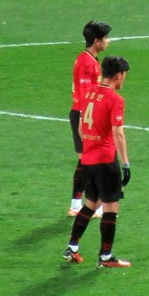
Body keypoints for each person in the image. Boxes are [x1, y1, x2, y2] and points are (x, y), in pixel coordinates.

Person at [62, 56, 133, 268]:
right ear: (119, 75)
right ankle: (105, 256)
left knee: (91, 203)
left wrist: (89, 149)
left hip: (88, 159)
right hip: (105, 160)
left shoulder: (89, 93)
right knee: (111, 207)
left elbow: (82, 128)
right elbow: (118, 134)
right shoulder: (115, 100)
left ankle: (72, 247)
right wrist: (126, 164)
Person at [68, 21, 112, 217]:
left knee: (85, 161)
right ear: (97, 41)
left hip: (82, 114)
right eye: (106, 38)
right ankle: (92, 203)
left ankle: (77, 203)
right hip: (84, 115)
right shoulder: (87, 63)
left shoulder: (87, 59)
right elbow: (87, 96)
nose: (108, 41)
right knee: (94, 160)